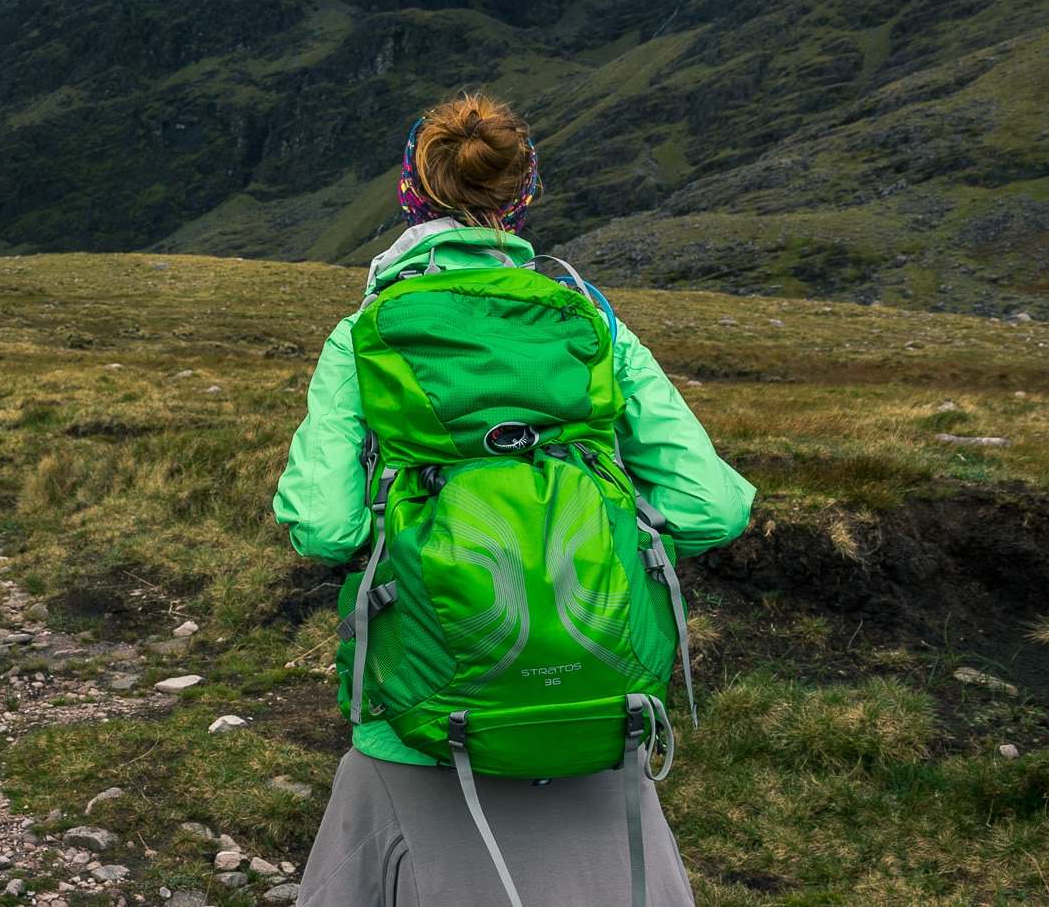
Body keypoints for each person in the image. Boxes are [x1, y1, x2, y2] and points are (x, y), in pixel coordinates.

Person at [273, 93, 754, 907]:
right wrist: (606, 537)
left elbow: (323, 527)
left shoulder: (367, 332)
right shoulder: (593, 324)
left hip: (417, 724)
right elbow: (712, 506)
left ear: (410, 192)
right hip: (599, 712)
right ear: (521, 196)